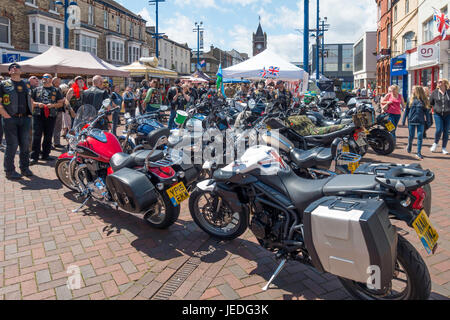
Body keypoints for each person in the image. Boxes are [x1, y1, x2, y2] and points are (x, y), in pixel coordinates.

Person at [0, 63, 34, 179]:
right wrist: (6, 115)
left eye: (17, 67)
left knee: (25, 145)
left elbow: (31, 100)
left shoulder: (26, 84)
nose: (14, 68)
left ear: (21, 71)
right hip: (10, 119)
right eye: (12, 68)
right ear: (9, 72)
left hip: (25, 118)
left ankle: (25, 168)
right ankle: (9, 171)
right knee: (12, 145)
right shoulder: (3, 84)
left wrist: (30, 114)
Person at [30, 73, 64, 165]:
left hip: (51, 115)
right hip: (38, 115)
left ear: (51, 79)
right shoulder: (36, 89)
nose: (44, 79)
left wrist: (53, 105)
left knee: (48, 136)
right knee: (36, 136)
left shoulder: (56, 90)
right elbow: (31, 101)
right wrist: (37, 104)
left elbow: (61, 103)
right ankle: (34, 157)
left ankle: (45, 154)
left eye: (46, 77)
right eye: (43, 77)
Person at [406, 86, 431, 160]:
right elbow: (406, 111)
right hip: (411, 121)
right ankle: (409, 145)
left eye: (413, 90)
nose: (412, 91)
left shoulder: (424, 100)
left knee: (420, 137)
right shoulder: (410, 99)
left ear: (417, 91)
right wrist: (404, 120)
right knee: (411, 136)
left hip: (421, 122)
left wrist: (428, 121)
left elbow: (427, 113)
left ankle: (418, 152)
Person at [429, 78, 450, 154]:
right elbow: (430, 103)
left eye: (440, 82)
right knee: (439, 129)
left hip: (448, 115)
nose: (438, 83)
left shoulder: (449, 92)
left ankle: (444, 148)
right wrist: (427, 112)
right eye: (437, 82)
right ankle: (435, 143)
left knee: (446, 131)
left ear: (444, 83)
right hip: (437, 114)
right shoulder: (434, 92)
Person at [52, 77, 64, 149]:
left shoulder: (59, 88)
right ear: (53, 82)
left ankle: (57, 142)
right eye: (57, 81)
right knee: (51, 128)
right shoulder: (51, 89)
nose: (59, 83)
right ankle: (50, 144)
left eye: (59, 81)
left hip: (59, 110)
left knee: (58, 127)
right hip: (53, 110)